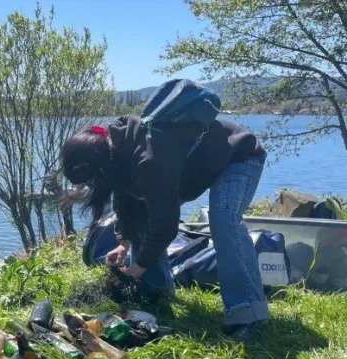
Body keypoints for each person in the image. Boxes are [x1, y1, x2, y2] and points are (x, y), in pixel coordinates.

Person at [60, 117, 270, 343]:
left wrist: (138, 267)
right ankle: (158, 293)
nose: (91, 186)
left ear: (100, 165)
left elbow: (165, 224)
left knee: (224, 220)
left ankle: (249, 315)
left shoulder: (147, 161)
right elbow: (126, 199)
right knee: (143, 218)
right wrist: (124, 243)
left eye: (91, 180)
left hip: (237, 154)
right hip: (193, 167)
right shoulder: (116, 152)